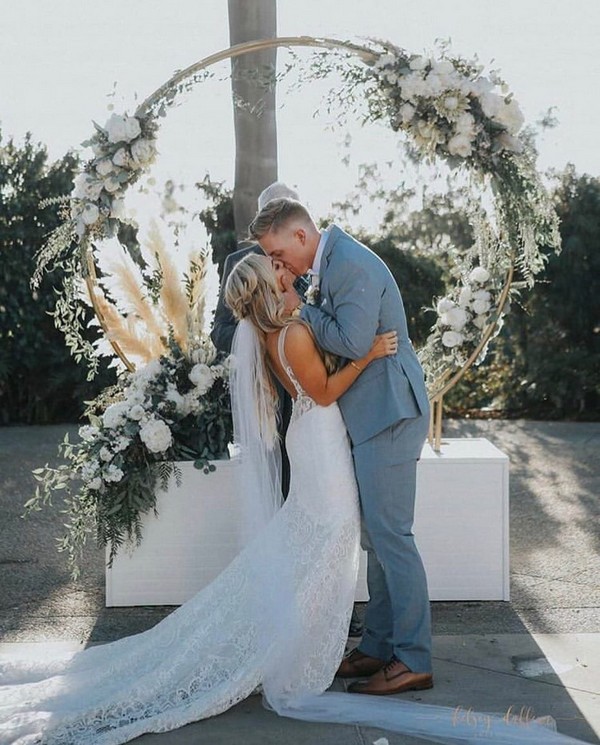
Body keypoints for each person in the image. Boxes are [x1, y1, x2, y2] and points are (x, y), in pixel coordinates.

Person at [0, 254, 583, 745]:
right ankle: (300, 648)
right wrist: (371, 353)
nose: (286, 272)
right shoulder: (294, 332)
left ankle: (309, 639)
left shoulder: (274, 331)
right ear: (268, 284)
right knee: (327, 539)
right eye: (275, 269)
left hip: (313, 436)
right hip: (322, 441)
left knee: (314, 540)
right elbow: (325, 389)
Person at [248, 197, 433, 695]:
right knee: (378, 538)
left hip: (390, 413)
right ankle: (377, 646)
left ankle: (413, 658)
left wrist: (305, 312)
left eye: (278, 253)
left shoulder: (348, 264)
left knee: (392, 537)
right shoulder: (330, 264)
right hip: (373, 416)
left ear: (302, 237)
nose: (278, 265)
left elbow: (353, 343)